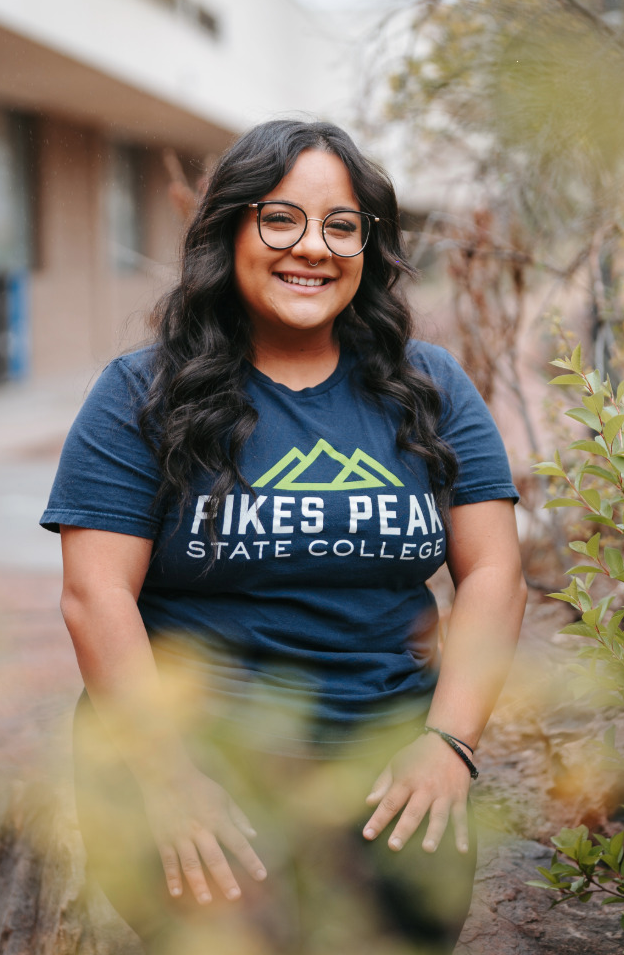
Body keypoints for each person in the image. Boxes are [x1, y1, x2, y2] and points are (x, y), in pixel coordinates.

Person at [41, 119, 526, 955]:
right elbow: (95, 596)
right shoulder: (140, 394)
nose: (314, 248)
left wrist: (449, 744)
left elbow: (494, 575)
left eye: (343, 226)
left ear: (370, 248)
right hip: (205, 762)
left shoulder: (431, 387)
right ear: (228, 229)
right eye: (280, 218)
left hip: (387, 759)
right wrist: (167, 778)